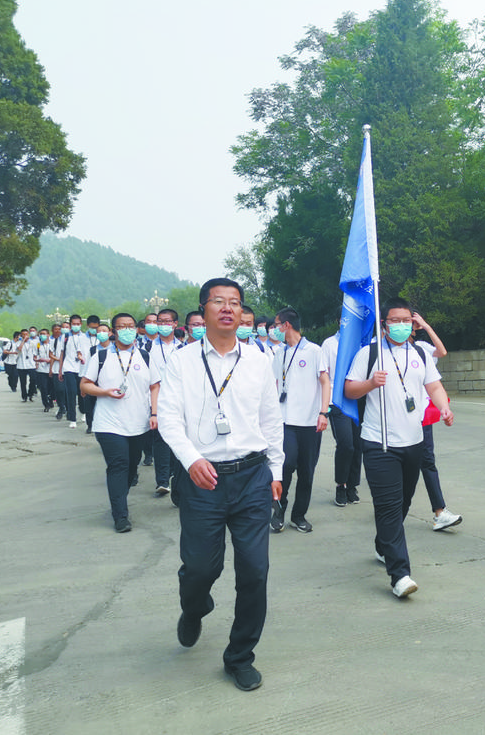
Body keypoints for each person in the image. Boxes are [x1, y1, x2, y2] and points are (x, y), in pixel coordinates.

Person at [157, 277, 283, 692]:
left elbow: (271, 420)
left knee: (255, 572)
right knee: (200, 569)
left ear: (242, 312)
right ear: (203, 310)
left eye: (235, 302)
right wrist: (190, 459)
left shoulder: (258, 360)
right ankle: (194, 607)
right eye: (218, 302)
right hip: (203, 479)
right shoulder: (182, 361)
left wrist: (276, 472)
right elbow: (169, 417)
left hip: (252, 476)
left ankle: (240, 656)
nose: (228, 308)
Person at [344, 297, 454, 598]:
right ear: (384, 324)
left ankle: (383, 545)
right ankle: (400, 574)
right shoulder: (369, 354)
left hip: (413, 441)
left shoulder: (420, 353)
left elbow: (434, 386)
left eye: (406, 320)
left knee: (404, 501)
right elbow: (349, 389)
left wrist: (444, 407)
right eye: (395, 320)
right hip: (379, 442)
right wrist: (370, 383)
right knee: (389, 507)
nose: (402, 325)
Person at [80, 313, 160, 533]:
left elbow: (155, 386)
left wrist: (154, 413)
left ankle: (119, 499)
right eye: (122, 326)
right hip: (109, 423)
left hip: (138, 423)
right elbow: (85, 385)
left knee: (132, 466)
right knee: (118, 465)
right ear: (113, 331)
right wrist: (104, 392)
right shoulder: (101, 356)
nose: (127, 330)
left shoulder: (144, 356)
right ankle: (120, 516)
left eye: (131, 326)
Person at [270, 307, 330, 534]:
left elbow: (325, 382)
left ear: (287, 325)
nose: (275, 329)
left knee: (306, 471)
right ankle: (279, 510)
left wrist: (323, 412)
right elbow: (274, 384)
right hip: (285, 421)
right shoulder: (279, 353)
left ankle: (299, 515)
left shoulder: (314, 351)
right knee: (285, 466)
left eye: (277, 325)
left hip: (310, 422)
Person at [411, 313, 463, 531]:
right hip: (395, 420)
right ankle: (389, 507)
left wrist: (426, 326)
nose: (405, 326)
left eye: (409, 321)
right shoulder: (379, 348)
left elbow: (441, 352)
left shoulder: (421, 348)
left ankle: (440, 512)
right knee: (404, 468)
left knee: (428, 462)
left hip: (421, 416)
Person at [321, 320, 362, 507]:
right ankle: (341, 484)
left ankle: (352, 485)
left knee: (358, 445)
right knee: (346, 444)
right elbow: (324, 374)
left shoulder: (360, 343)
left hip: (358, 398)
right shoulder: (329, 344)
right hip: (337, 400)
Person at [148, 308, 186, 497]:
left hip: (181, 399)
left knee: (179, 438)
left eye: (167, 321)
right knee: (160, 440)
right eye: (160, 322)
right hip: (157, 399)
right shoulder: (148, 347)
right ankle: (162, 481)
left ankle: (175, 477)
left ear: (175, 324)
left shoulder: (183, 348)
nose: (163, 325)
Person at [61, 314, 91, 428]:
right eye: (74, 324)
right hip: (68, 368)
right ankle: (72, 418)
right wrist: (60, 370)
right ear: (70, 324)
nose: (76, 326)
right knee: (71, 392)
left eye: (78, 324)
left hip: (82, 369)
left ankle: (83, 411)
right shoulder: (65, 337)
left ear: (81, 324)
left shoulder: (85, 337)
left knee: (82, 392)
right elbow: (62, 353)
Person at [33, 330, 54, 412]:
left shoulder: (52, 343)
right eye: (41, 334)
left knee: (52, 387)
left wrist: (50, 360)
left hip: (52, 369)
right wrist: (39, 360)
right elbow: (34, 357)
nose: (42, 335)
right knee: (43, 388)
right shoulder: (38, 345)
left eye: (44, 334)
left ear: (48, 334)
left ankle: (51, 398)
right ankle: (46, 404)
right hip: (41, 370)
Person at [16, 329, 36, 398]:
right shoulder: (18, 343)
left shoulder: (32, 343)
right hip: (21, 365)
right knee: (23, 382)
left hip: (31, 364)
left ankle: (30, 393)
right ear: (21, 335)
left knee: (33, 379)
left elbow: (35, 353)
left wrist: (36, 363)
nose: (25, 336)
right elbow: (19, 349)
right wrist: (23, 340)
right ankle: (24, 396)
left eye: (26, 334)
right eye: (23, 334)